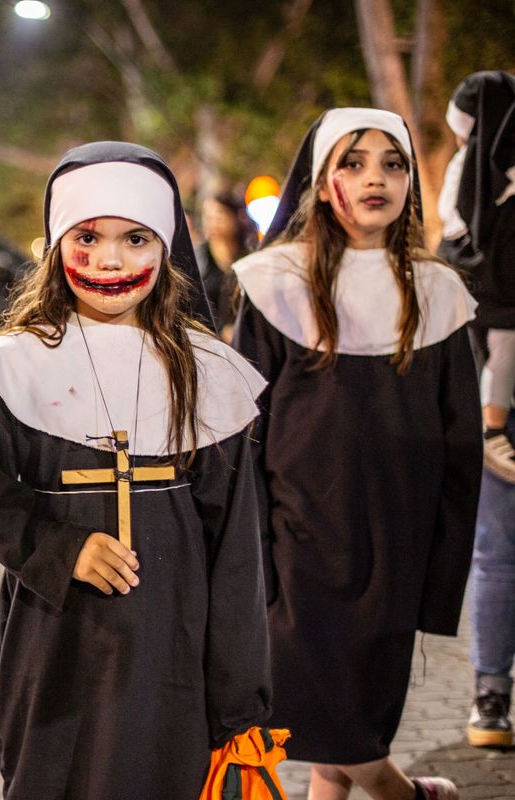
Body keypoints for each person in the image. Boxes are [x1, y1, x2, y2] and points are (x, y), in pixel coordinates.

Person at [0, 141, 275, 798]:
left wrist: (240, 695)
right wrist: (61, 548)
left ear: (166, 248)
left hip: (173, 630)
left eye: (135, 238)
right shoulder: (13, 364)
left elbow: (236, 543)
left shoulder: (206, 372)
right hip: (56, 631)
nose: (110, 260)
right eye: (87, 237)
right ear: (56, 247)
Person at [232, 108, 481, 800]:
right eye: (354, 162)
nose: (376, 178)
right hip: (298, 533)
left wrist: (443, 568)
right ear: (320, 181)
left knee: (360, 699)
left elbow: (460, 442)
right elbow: (243, 429)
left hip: (398, 537)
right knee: (316, 698)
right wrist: (246, 549)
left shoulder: (437, 291)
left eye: (393, 164)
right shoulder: (273, 282)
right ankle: (406, 795)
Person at [437, 71, 515, 749]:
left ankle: (491, 696)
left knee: (496, 553)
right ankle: (490, 693)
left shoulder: (480, 201)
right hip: (494, 404)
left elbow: (500, 323)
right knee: (496, 553)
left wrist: (486, 420)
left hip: (496, 407)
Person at [438, 72, 515, 485]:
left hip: (479, 279)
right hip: (488, 282)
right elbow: (461, 221)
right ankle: (492, 428)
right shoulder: (480, 163)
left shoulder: (480, 160)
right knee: (502, 343)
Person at [196, 191, 254, 341]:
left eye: (219, 216)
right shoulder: (198, 259)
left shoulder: (250, 256)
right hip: (211, 341)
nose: (212, 222)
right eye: (207, 216)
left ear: (235, 217)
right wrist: (221, 330)